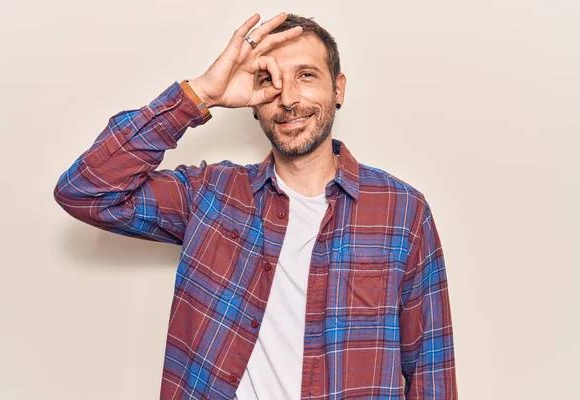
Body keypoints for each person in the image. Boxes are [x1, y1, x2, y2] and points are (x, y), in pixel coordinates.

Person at [53, 12, 458, 400]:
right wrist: (200, 94)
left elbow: (430, 367)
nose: (288, 99)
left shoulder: (401, 210)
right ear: (253, 99)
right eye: (270, 80)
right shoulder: (212, 194)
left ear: (339, 89)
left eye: (306, 75)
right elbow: (86, 190)